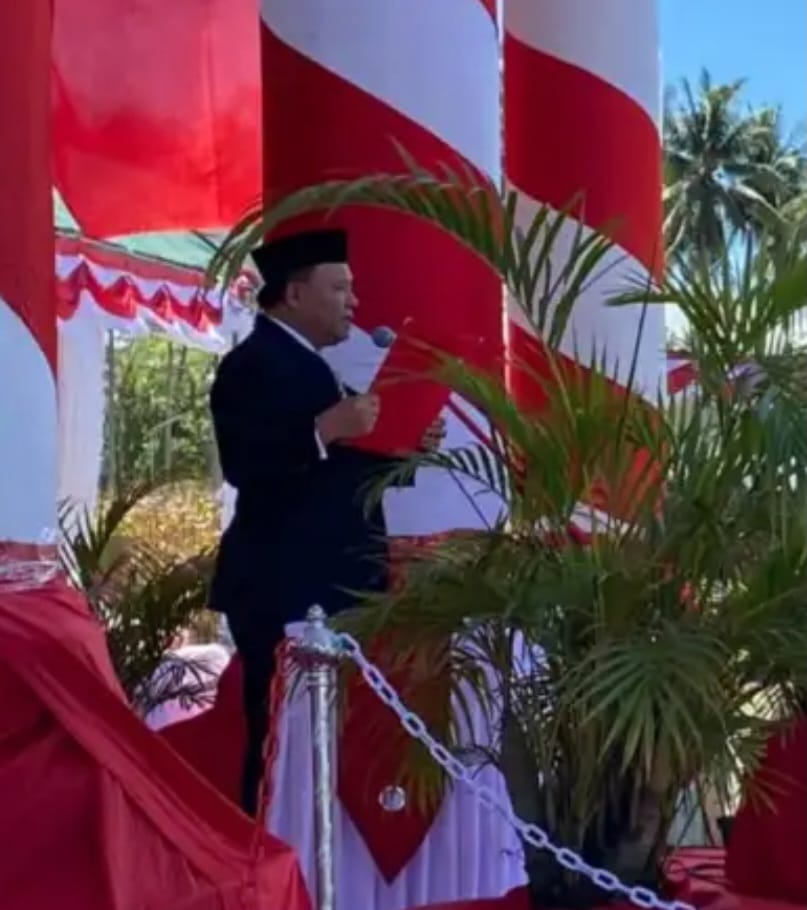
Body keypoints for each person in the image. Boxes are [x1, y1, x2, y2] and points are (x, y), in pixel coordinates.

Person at [208, 228, 445, 816]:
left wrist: (403, 448)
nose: (353, 302)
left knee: (319, 744)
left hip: (329, 583)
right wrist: (325, 429)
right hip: (282, 584)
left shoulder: (314, 367)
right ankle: (268, 853)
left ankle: (312, 850)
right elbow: (246, 464)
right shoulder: (251, 364)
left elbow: (334, 472)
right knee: (277, 738)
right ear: (294, 293)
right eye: (339, 288)